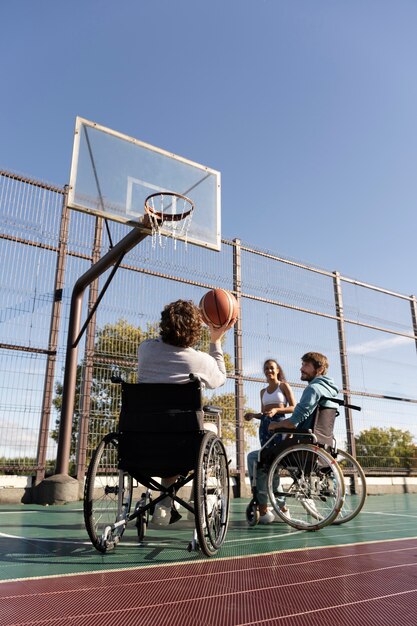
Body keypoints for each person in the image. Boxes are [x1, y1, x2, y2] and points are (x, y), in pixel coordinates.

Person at [137, 298, 237, 525]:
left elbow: (160, 345)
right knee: (207, 429)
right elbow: (220, 379)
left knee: (168, 429)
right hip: (183, 443)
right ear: (196, 329)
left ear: (164, 324)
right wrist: (216, 341)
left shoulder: (145, 350)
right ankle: (202, 499)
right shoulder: (200, 361)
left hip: (143, 442)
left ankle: (163, 503)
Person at [245, 359, 296, 524]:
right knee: (264, 464)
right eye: (266, 368)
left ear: (278, 370)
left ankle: (281, 508)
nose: (269, 370)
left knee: (272, 466)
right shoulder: (263, 391)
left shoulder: (283, 386)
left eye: (272, 368)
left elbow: (294, 408)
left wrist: (277, 410)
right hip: (265, 428)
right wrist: (253, 416)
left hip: (279, 428)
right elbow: (264, 413)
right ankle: (266, 508)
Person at [268, 351, 339, 435]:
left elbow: (291, 423)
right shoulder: (329, 391)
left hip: (304, 439)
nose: (301, 369)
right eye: (302, 364)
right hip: (323, 439)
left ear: (320, 369)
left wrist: (275, 425)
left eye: (306, 365)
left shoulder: (313, 389)